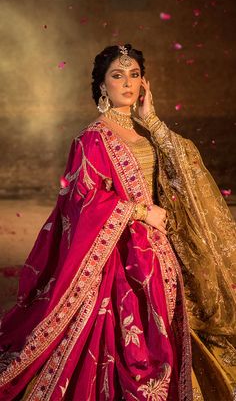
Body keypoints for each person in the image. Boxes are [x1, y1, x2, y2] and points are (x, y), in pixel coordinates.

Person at [0, 44, 235, 400]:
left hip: (160, 256)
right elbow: (85, 200)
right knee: (126, 348)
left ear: (145, 83)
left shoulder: (148, 133)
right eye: (117, 75)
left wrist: (152, 118)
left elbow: (185, 169)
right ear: (101, 87)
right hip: (117, 259)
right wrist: (140, 212)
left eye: (135, 75)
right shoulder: (92, 138)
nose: (128, 82)